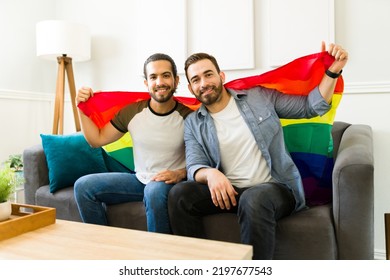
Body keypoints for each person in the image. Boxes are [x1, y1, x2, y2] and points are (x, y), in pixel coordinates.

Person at [168, 43, 348, 259]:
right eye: (196, 80)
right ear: (190, 88)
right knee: (179, 195)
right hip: (231, 193)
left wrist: (333, 70)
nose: (204, 83)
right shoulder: (193, 123)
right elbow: (194, 166)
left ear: (221, 76)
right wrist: (211, 173)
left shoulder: (258, 97)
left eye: (208, 75)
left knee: (253, 198)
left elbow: (312, 107)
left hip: (274, 188)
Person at [74, 53, 193, 234]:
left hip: (171, 183)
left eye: (166, 75)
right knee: (83, 186)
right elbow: (96, 140)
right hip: (139, 179)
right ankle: (102, 247)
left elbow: (206, 158)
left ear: (176, 81)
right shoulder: (132, 113)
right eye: (153, 77)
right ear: (146, 83)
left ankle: (158, 258)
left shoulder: (188, 117)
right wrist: (82, 109)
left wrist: (180, 173)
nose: (159, 82)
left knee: (153, 191)